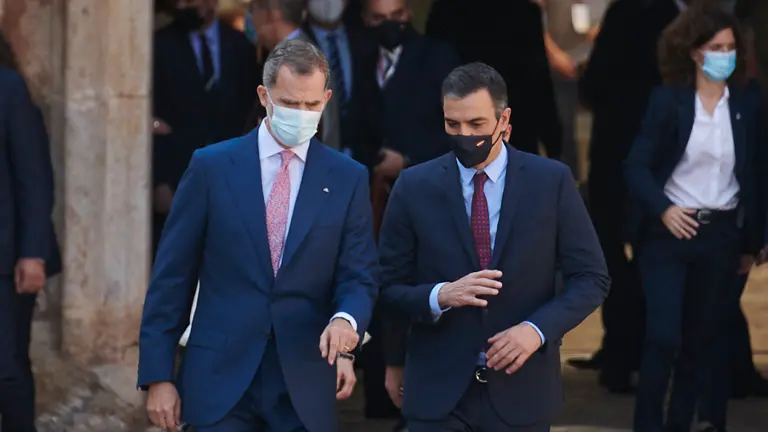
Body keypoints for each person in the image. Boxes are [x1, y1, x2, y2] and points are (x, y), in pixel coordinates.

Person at [138, 39, 378, 432]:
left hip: (302, 380)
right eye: (289, 103)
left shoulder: (347, 177)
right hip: (218, 380)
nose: (301, 114)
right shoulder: (211, 166)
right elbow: (172, 277)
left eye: (311, 105)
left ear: (327, 98)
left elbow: (359, 273)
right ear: (264, 96)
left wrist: (346, 320)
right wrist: (158, 377)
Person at [378, 62, 610, 432]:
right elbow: (387, 287)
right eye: (453, 125)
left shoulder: (551, 183)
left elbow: (591, 278)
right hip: (437, 393)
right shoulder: (414, 186)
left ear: (504, 120)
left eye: (476, 125)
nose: (464, 135)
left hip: (522, 391)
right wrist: (440, 295)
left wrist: (535, 330)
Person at [625, 4, 765, 431]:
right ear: (693, 52)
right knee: (663, 336)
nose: (726, 54)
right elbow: (635, 166)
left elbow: (758, 172)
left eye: (731, 47)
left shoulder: (747, 102)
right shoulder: (668, 100)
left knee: (702, 342)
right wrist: (663, 209)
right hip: (669, 233)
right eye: (716, 47)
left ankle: (681, 423)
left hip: (720, 234)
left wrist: (755, 240)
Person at [570, 0, 685, 391]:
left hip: (617, 150)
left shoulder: (628, 13)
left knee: (615, 255)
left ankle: (622, 351)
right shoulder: (671, 17)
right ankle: (630, 350)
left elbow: (595, 84)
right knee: (647, 254)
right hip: (658, 157)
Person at [152, 0, 260, 258]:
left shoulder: (240, 46)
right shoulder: (159, 45)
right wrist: (158, 181)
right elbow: (150, 119)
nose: (183, 5)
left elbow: (250, 115)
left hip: (230, 180)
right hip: (177, 178)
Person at [0, 31, 61, 432]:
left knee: (7, 368)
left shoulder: (8, 87)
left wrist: (34, 253)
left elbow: (34, 176)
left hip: (6, 262)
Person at [425, 0, 562, 160]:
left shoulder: (445, 11)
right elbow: (539, 86)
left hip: (461, 131)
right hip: (512, 130)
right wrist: (553, 143)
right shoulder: (524, 12)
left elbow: (432, 78)